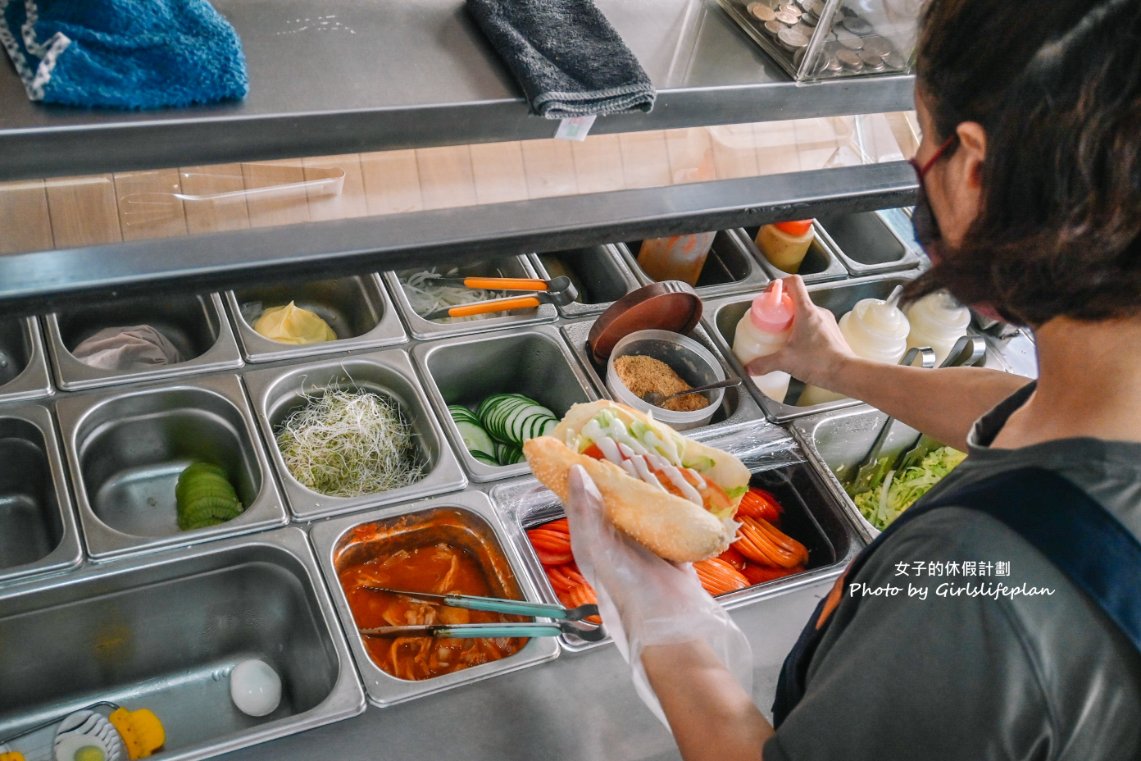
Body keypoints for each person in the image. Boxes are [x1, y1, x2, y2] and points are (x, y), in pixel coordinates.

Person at [562, 0, 1141, 758]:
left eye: (919, 135)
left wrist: (665, 626)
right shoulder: (1101, 399)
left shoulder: (975, 588)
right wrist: (835, 368)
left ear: (973, 170)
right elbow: (1015, 413)